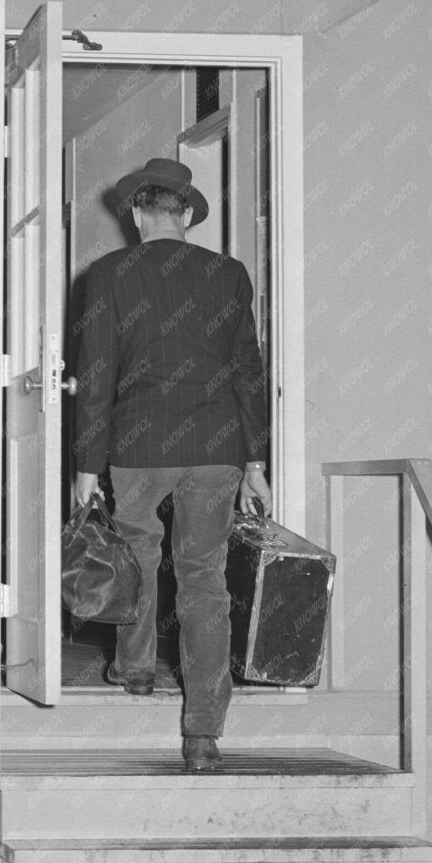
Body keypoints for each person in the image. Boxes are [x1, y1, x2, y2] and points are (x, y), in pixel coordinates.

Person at [71, 156, 271, 773]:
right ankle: (203, 735)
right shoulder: (227, 274)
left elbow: (96, 374)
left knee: (136, 554)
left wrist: (86, 466)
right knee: (204, 579)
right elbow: (249, 373)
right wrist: (256, 462)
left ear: (136, 212)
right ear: (185, 214)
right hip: (216, 448)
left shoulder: (108, 275)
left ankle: (134, 668)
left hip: (138, 446)